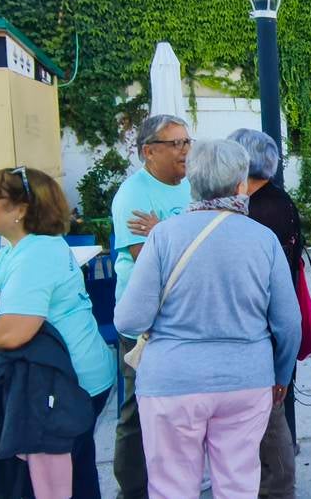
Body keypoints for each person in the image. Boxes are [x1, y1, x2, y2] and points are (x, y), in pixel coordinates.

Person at [114, 139, 301, 498]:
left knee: (172, 487)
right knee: (238, 484)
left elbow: (128, 320)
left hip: (171, 382)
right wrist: (280, 376)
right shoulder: (263, 239)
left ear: (192, 182)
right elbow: (289, 323)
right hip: (246, 379)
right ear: (241, 184)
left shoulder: (163, 236)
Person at [0, 166, 115, 498]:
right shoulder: (21, 249)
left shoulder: (37, 255)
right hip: (75, 377)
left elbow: (13, 333)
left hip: (67, 384)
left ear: (21, 209)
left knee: (51, 483)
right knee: (75, 474)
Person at [110, 113, 193, 499]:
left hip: (183, 316)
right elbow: (148, 261)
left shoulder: (191, 186)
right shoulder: (133, 195)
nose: (184, 150)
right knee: (137, 408)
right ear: (148, 151)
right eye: (175, 143)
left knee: (181, 406)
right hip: (144, 322)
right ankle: (133, 489)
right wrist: (177, 242)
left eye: (187, 141)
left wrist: (162, 232)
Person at [228, 128, 302, 498]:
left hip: (265, 327)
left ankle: (271, 486)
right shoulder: (278, 199)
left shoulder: (257, 210)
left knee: (269, 422)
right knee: (271, 414)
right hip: (275, 322)